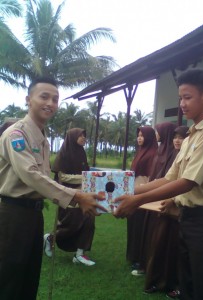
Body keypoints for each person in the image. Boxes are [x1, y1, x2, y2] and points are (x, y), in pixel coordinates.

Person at [114, 68, 203, 300]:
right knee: (187, 284)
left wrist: (136, 201)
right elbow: (168, 178)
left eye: (188, 97)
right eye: (180, 98)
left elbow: (186, 182)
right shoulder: (190, 138)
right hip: (186, 219)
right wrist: (127, 190)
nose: (182, 104)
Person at [0, 77, 105, 300]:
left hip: (33, 214)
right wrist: (76, 195)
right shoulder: (16, 135)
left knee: (29, 276)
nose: (50, 103)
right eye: (44, 96)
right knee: (9, 278)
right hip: (13, 215)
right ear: (29, 100)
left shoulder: (42, 137)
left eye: (55, 99)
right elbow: (32, 175)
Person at [144, 125, 189, 299]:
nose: (177, 140)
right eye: (175, 137)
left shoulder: (187, 156)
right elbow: (166, 180)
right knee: (160, 244)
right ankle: (158, 280)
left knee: (176, 249)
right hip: (165, 207)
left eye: (182, 137)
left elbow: (188, 184)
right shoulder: (175, 155)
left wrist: (172, 199)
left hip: (180, 210)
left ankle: (174, 283)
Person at [44, 128, 97, 266]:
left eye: (85, 136)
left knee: (89, 220)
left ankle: (80, 254)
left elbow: (86, 172)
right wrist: (85, 177)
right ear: (73, 137)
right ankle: (50, 238)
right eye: (81, 136)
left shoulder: (82, 152)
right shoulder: (64, 154)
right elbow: (62, 176)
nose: (84, 138)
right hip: (68, 195)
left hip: (83, 194)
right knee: (71, 225)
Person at [132, 121, 176, 276]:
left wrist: (143, 192)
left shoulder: (171, 153)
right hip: (146, 194)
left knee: (157, 234)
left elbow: (168, 178)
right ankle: (142, 261)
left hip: (158, 197)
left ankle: (151, 267)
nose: (139, 138)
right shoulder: (159, 151)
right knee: (146, 231)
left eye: (158, 131)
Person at [126, 126, 158, 270]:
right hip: (134, 193)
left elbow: (152, 178)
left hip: (143, 196)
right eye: (138, 135)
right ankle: (133, 255)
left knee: (141, 228)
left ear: (149, 137)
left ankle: (140, 258)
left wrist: (142, 193)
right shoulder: (140, 152)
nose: (139, 138)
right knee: (133, 226)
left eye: (142, 135)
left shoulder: (153, 154)